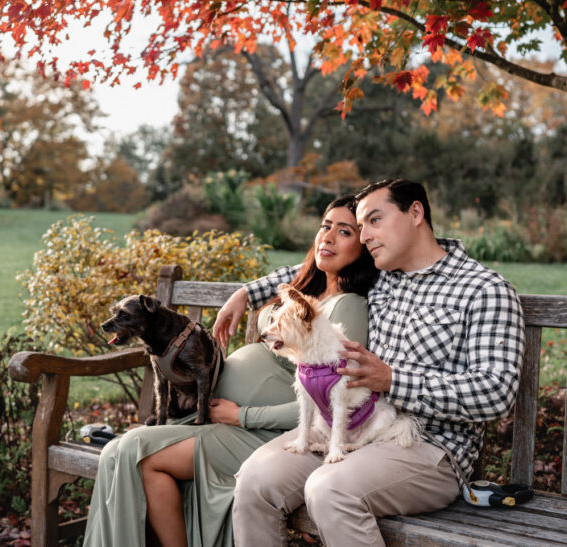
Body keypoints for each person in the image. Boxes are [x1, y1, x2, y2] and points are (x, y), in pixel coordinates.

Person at [217, 179, 526, 547]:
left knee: (329, 489)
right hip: (345, 427)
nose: (364, 237)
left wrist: (393, 380)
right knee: (255, 479)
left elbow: (496, 393)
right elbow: (317, 268)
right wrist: (247, 292)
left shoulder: (484, 289)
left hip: (426, 446)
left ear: (415, 213)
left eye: (374, 221)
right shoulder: (380, 277)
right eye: (361, 227)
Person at [82, 196, 379, 547]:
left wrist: (244, 415)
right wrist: (242, 294)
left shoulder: (349, 305)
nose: (327, 237)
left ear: (363, 246)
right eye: (324, 226)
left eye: (343, 231)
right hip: (220, 419)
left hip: (263, 433)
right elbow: (290, 277)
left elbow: (335, 400)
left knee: (135, 454)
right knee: (122, 450)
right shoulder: (305, 288)